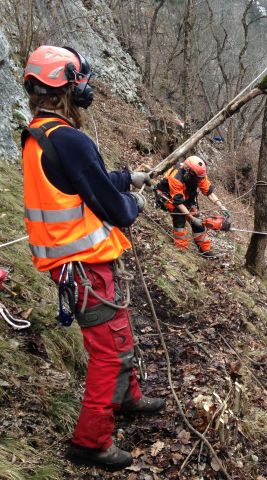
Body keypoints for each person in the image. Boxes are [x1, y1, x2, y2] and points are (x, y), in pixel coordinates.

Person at [21, 45, 164, 471]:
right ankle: (90, 441)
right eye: (82, 79)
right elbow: (116, 209)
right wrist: (135, 199)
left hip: (74, 265)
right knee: (110, 352)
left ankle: (127, 396)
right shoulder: (70, 139)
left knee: (119, 335)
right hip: (85, 267)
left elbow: (85, 180)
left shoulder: (39, 135)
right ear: (70, 85)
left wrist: (126, 177)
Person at [155, 156, 229, 257]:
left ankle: (205, 250)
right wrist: (191, 218)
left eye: (200, 179)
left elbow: (209, 192)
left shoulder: (199, 175)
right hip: (168, 196)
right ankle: (181, 249)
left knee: (198, 222)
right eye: (197, 179)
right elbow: (178, 202)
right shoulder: (176, 177)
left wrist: (222, 206)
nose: (199, 181)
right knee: (180, 217)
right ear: (188, 172)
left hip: (187, 197)